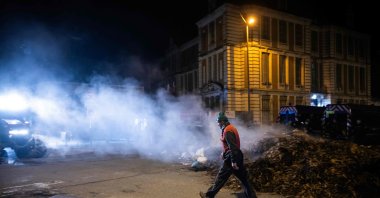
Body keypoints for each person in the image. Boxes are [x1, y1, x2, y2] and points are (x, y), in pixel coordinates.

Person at [199, 112, 257, 198]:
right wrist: (224, 153)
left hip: (232, 157)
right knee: (243, 178)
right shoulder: (229, 128)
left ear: (222, 122)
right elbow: (229, 145)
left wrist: (233, 162)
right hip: (235, 155)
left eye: (218, 122)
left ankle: (209, 196)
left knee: (221, 177)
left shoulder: (228, 131)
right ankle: (252, 196)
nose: (218, 124)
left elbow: (233, 147)